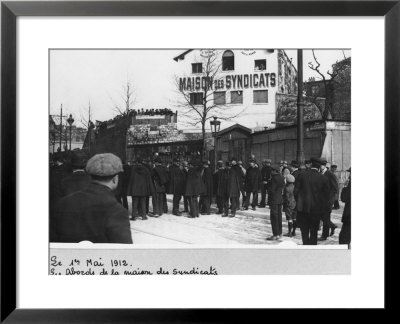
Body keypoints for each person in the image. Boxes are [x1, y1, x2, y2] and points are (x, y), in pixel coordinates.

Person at [50, 153, 133, 244]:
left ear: (90, 175)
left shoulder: (63, 203)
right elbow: (124, 253)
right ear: (115, 179)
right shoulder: (117, 210)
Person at [294, 157, 330, 245]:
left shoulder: (302, 175)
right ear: (319, 166)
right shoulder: (323, 178)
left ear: (311, 164)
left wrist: (300, 202)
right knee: (314, 232)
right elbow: (326, 196)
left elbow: (295, 192)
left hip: (303, 209)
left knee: (304, 232)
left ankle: (305, 246)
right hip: (316, 210)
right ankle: (312, 249)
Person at [319, 159, 339, 240]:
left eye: (320, 165)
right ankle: (332, 226)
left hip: (328, 201)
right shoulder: (320, 173)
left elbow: (335, 188)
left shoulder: (330, 174)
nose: (319, 167)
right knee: (322, 217)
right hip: (320, 200)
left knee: (326, 217)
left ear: (324, 165)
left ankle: (324, 235)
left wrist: (330, 200)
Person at [267, 167, 285, 240]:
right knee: (279, 217)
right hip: (280, 199)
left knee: (274, 217)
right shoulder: (281, 177)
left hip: (274, 199)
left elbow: (272, 190)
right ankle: (280, 233)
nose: (271, 172)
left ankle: (275, 234)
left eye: (272, 171)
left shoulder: (273, 178)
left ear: (274, 171)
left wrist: (268, 185)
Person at [339, 168, 351, 245]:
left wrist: (345, 187)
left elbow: (344, 198)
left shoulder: (350, 185)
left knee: (344, 238)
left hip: (349, 214)